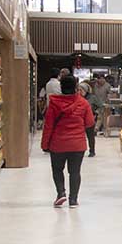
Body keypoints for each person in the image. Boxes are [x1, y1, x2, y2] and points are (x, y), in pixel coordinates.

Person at [40, 73, 94, 208]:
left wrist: (44, 144)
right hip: (77, 144)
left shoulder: (54, 103)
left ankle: (61, 193)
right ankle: (73, 200)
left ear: (61, 87)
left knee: (57, 170)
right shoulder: (83, 103)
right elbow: (89, 123)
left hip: (58, 144)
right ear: (75, 87)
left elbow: (48, 126)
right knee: (75, 172)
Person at [88, 73, 109, 139]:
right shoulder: (95, 85)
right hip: (95, 103)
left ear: (104, 79)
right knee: (98, 117)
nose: (100, 80)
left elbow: (110, 94)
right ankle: (98, 129)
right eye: (99, 79)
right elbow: (90, 85)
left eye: (102, 79)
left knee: (102, 116)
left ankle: (97, 129)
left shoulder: (107, 86)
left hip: (104, 104)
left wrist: (107, 100)